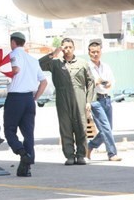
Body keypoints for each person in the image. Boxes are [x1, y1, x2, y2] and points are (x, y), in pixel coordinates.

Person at [39, 38, 95, 166]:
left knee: (81, 126)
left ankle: (81, 155)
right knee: (65, 127)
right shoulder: (55, 63)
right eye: (65, 47)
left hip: (79, 96)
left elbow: (90, 82)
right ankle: (69, 155)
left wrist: (88, 101)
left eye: (70, 47)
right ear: (62, 48)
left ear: (74, 48)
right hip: (62, 98)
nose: (67, 49)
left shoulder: (82, 63)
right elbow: (39, 65)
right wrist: (54, 53)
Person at [4, 32, 48, 177]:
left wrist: (3, 73)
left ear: (13, 42)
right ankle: (26, 167)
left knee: (9, 130)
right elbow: (44, 81)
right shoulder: (33, 59)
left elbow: (15, 69)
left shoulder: (13, 55)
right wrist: (35, 97)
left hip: (15, 97)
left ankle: (21, 152)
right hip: (29, 99)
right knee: (28, 133)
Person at [86, 42, 122, 162]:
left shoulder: (105, 66)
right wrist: (96, 82)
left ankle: (90, 146)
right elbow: (85, 85)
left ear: (101, 52)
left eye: (97, 51)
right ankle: (112, 153)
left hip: (106, 99)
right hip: (95, 100)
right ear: (89, 52)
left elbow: (112, 81)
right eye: (93, 52)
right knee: (105, 128)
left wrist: (108, 84)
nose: (95, 54)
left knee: (107, 129)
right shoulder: (86, 67)